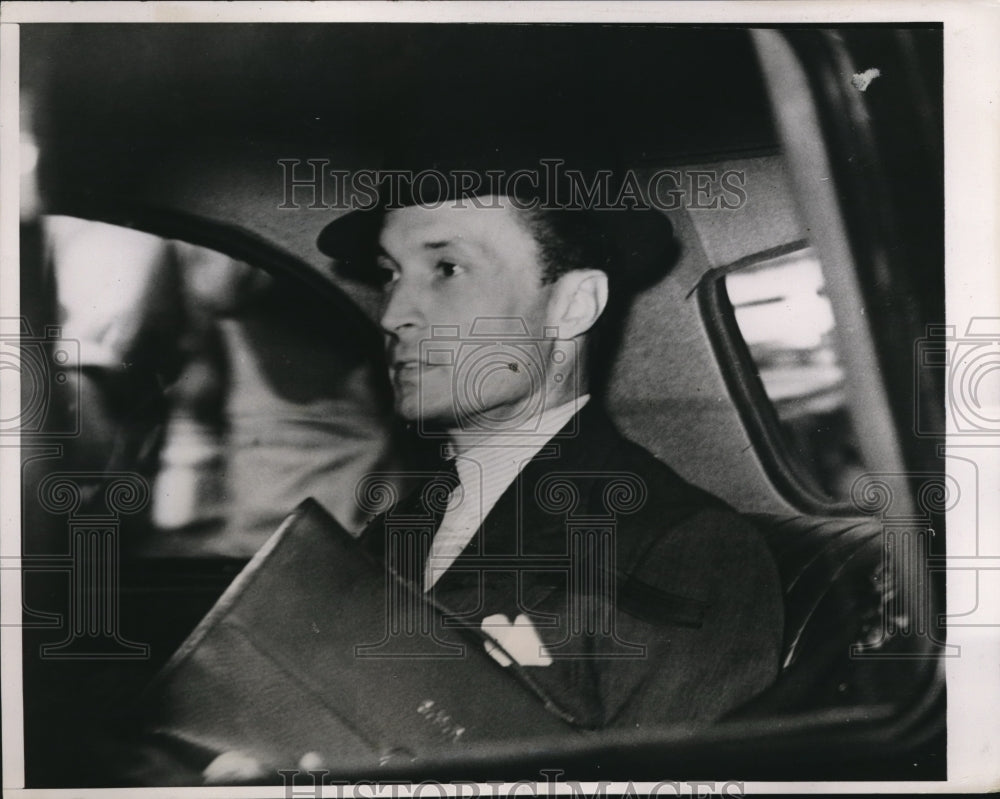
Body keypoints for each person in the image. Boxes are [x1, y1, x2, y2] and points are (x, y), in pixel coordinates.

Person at [316, 161, 785, 732]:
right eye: (391, 274)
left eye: (446, 268)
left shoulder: (684, 550)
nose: (393, 315)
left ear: (573, 305)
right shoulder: (396, 529)